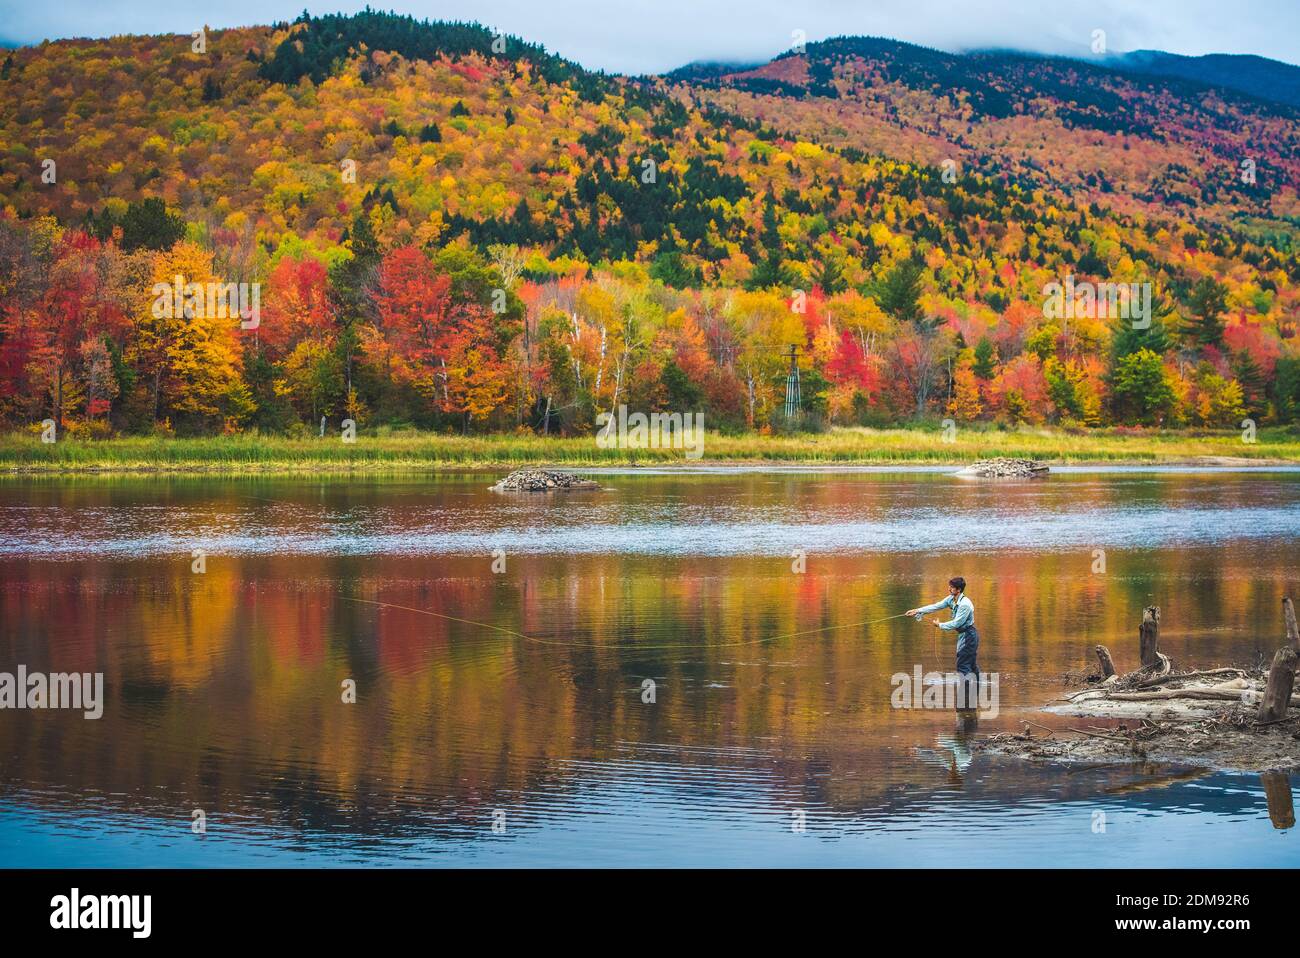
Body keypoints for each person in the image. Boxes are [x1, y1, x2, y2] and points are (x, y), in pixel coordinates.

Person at [905, 577, 980, 698]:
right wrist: (917, 611)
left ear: (959, 589)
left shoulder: (965, 605)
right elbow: (936, 606)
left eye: (951, 587)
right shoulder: (952, 599)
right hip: (965, 635)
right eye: (949, 586)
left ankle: (966, 697)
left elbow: (956, 623)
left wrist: (939, 625)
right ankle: (975, 691)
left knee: (963, 664)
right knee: (971, 664)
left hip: (969, 636)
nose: (949, 589)